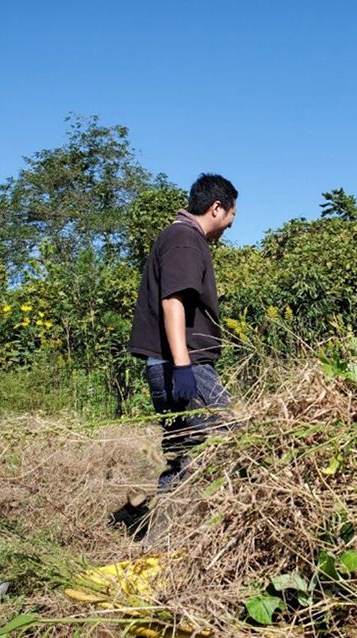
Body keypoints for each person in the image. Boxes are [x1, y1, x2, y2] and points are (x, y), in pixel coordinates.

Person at [129, 173, 238, 491]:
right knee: (223, 442)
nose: (231, 224)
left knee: (185, 455)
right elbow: (173, 302)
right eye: (232, 215)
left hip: (167, 366)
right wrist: (183, 367)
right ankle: (191, 536)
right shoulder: (185, 239)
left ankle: (162, 538)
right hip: (184, 365)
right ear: (217, 208)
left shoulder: (179, 238)